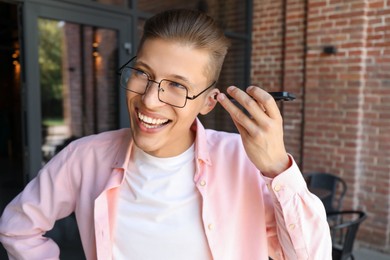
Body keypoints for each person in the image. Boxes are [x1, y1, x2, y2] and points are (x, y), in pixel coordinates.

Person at [0, 9, 331, 260]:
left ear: (207, 101)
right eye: (143, 73)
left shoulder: (244, 162)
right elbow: (17, 227)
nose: (149, 99)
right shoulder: (84, 157)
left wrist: (276, 168)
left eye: (177, 85)